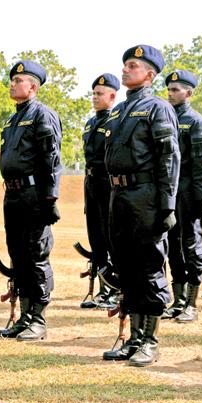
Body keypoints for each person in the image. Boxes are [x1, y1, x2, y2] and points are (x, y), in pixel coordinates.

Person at [102, 45, 180, 365]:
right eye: (124, 65)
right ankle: (133, 336)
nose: (125, 70)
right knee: (126, 267)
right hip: (119, 196)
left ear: (149, 74)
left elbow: (169, 158)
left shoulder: (157, 108)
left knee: (148, 266)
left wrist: (167, 205)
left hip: (146, 195)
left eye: (132, 66)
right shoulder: (119, 111)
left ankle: (150, 338)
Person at [0, 60, 63, 342]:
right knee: (18, 255)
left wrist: (50, 197)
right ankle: (24, 316)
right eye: (12, 80)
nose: (12, 83)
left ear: (33, 87)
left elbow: (52, 158)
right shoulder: (12, 119)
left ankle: (38, 318)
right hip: (13, 195)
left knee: (36, 256)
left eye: (18, 80)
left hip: (34, 195)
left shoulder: (42, 115)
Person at [161, 70, 202, 323]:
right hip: (170, 193)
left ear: (189, 93)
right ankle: (178, 299)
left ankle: (191, 302)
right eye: (169, 90)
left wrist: (201, 198)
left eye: (176, 90)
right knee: (172, 244)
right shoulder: (165, 118)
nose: (170, 94)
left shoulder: (196, 121)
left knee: (191, 245)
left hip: (189, 192)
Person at [80, 73, 120, 309]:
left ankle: (115, 289)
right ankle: (104, 289)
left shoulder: (115, 120)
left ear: (112, 96)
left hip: (107, 184)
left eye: (100, 94)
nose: (95, 97)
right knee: (96, 238)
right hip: (91, 184)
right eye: (93, 93)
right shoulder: (90, 123)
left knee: (111, 237)